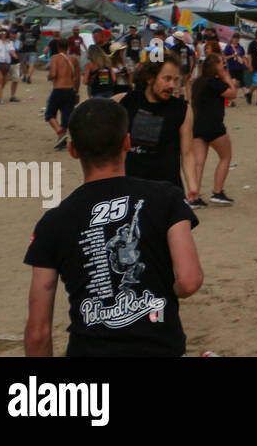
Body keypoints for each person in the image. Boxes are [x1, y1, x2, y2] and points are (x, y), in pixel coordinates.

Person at [23, 97, 202, 357]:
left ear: (73, 150)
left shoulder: (53, 223)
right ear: (127, 143)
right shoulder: (166, 197)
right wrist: (162, 292)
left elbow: (37, 332)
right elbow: (189, 281)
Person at [116, 58, 194, 193]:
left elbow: (187, 153)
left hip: (167, 191)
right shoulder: (127, 102)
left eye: (175, 80)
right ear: (150, 78)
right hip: (132, 188)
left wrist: (192, 185)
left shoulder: (182, 109)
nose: (172, 85)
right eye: (167, 78)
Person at [188, 53, 236, 208]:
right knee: (225, 157)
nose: (223, 65)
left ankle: (193, 196)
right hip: (214, 125)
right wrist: (226, 77)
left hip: (198, 125)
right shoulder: (215, 82)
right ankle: (217, 192)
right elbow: (233, 93)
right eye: (221, 63)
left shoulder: (197, 82)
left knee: (198, 163)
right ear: (215, 66)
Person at [46, 39, 81, 151]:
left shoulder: (55, 58)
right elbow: (77, 78)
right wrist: (76, 91)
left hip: (58, 89)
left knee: (50, 114)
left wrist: (49, 77)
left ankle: (60, 132)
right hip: (70, 90)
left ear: (57, 47)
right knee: (66, 116)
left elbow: (53, 74)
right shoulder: (74, 59)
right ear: (68, 47)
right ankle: (62, 141)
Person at [0, 28, 20, 103]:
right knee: (0, 80)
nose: (3, 34)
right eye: (1, 33)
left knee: (4, 81)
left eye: (4, 33)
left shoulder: (10, 43)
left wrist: (15, 56)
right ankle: (0, 98)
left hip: (7, 64)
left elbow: (12, 51)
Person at [224, 31, 246, 104]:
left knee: (237, 84)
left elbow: (243, 56)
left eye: (237, 38)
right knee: (233, 82)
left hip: (239, 67)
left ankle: (233, 99)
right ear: (232, 38)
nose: (236, 39)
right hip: (231, 67)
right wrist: (232, 56)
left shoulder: (241, 47)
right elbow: (225, 58)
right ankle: (231, 100)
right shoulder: (228, 47)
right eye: (235, 38)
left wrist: (244, 61)